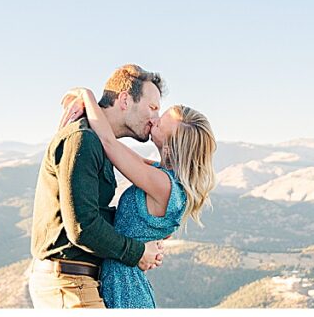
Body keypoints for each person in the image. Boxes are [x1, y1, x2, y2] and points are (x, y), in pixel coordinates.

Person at [58, 84, 217, 309]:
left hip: (127, 290)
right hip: (122, 281)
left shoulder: (163, 185)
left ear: (171, 148)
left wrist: (87, 95)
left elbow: (109, 143)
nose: (153, 120)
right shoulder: (162, 176)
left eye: (160, 123)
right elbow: (126, 155)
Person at [28, 64, 167, 309]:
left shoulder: (100, 143)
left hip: (77, 282)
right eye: (153, 107)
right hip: (68, 284)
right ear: (125, 99)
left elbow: (94, 212)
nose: (156, 118)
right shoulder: (83, 139)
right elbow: (83, 227)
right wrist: (137, 252)